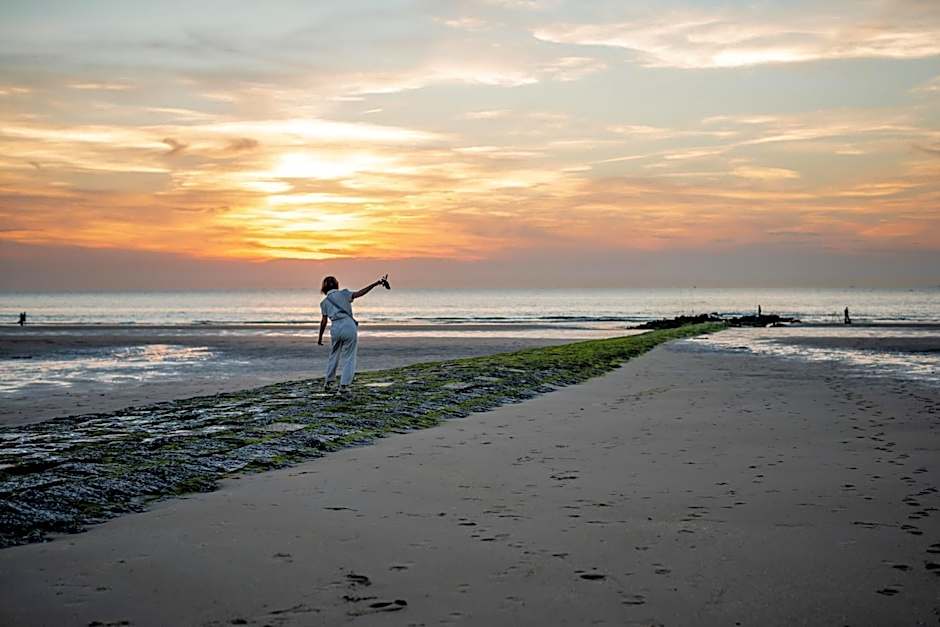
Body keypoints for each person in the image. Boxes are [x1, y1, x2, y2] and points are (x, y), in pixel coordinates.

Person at [318, 274, 389, 393]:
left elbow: (324, 321)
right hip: (348, 325)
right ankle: (344, 386)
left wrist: (320, 337)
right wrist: (375, 284)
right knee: (349, 356)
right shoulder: (344, 294)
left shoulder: (324, 302)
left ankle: (328, 382)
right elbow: (360, 293)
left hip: (335, 327)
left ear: (324, 288)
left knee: (334, 354)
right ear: (337, 284)